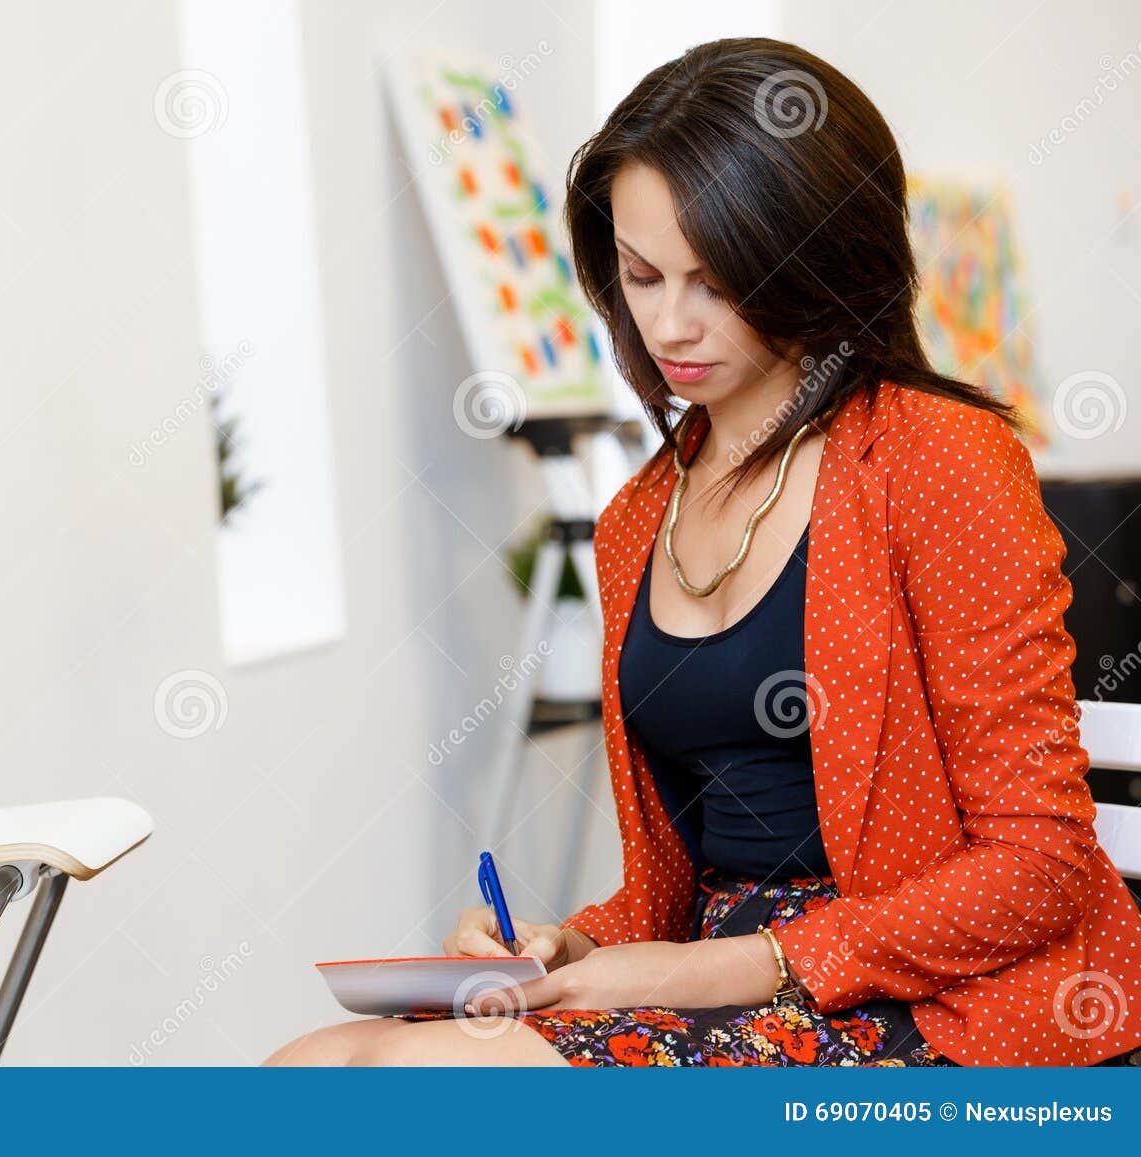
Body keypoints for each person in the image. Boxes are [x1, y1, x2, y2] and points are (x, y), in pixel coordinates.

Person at [263, 35, 1141, 1068]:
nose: (669, 321)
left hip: (925, 995)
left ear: (817, 257)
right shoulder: (638, 514)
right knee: (318, 1061)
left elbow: (1035, 865)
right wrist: (566, 943)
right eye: (640, 274)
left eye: (716, 281)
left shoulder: (937, 459)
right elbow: (669, 888)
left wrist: (727, 966)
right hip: (727, 975)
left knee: (431, 1075)